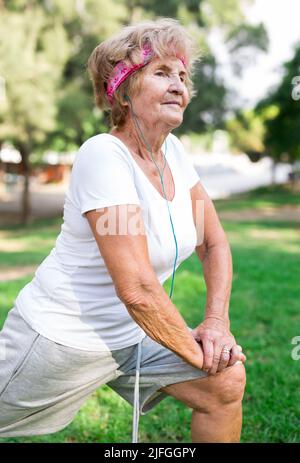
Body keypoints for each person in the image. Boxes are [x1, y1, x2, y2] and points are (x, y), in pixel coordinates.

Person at [0, 18, 246, 443]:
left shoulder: (175, 153)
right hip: (62, 340)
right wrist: (199, 355)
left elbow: (214, 242)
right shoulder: (103, 156)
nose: (179, 86)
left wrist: (216, 325)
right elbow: (135, 287)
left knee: (223, 383)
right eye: (162, 73)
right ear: (125, 91)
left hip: (137, 334)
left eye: (183, 76)